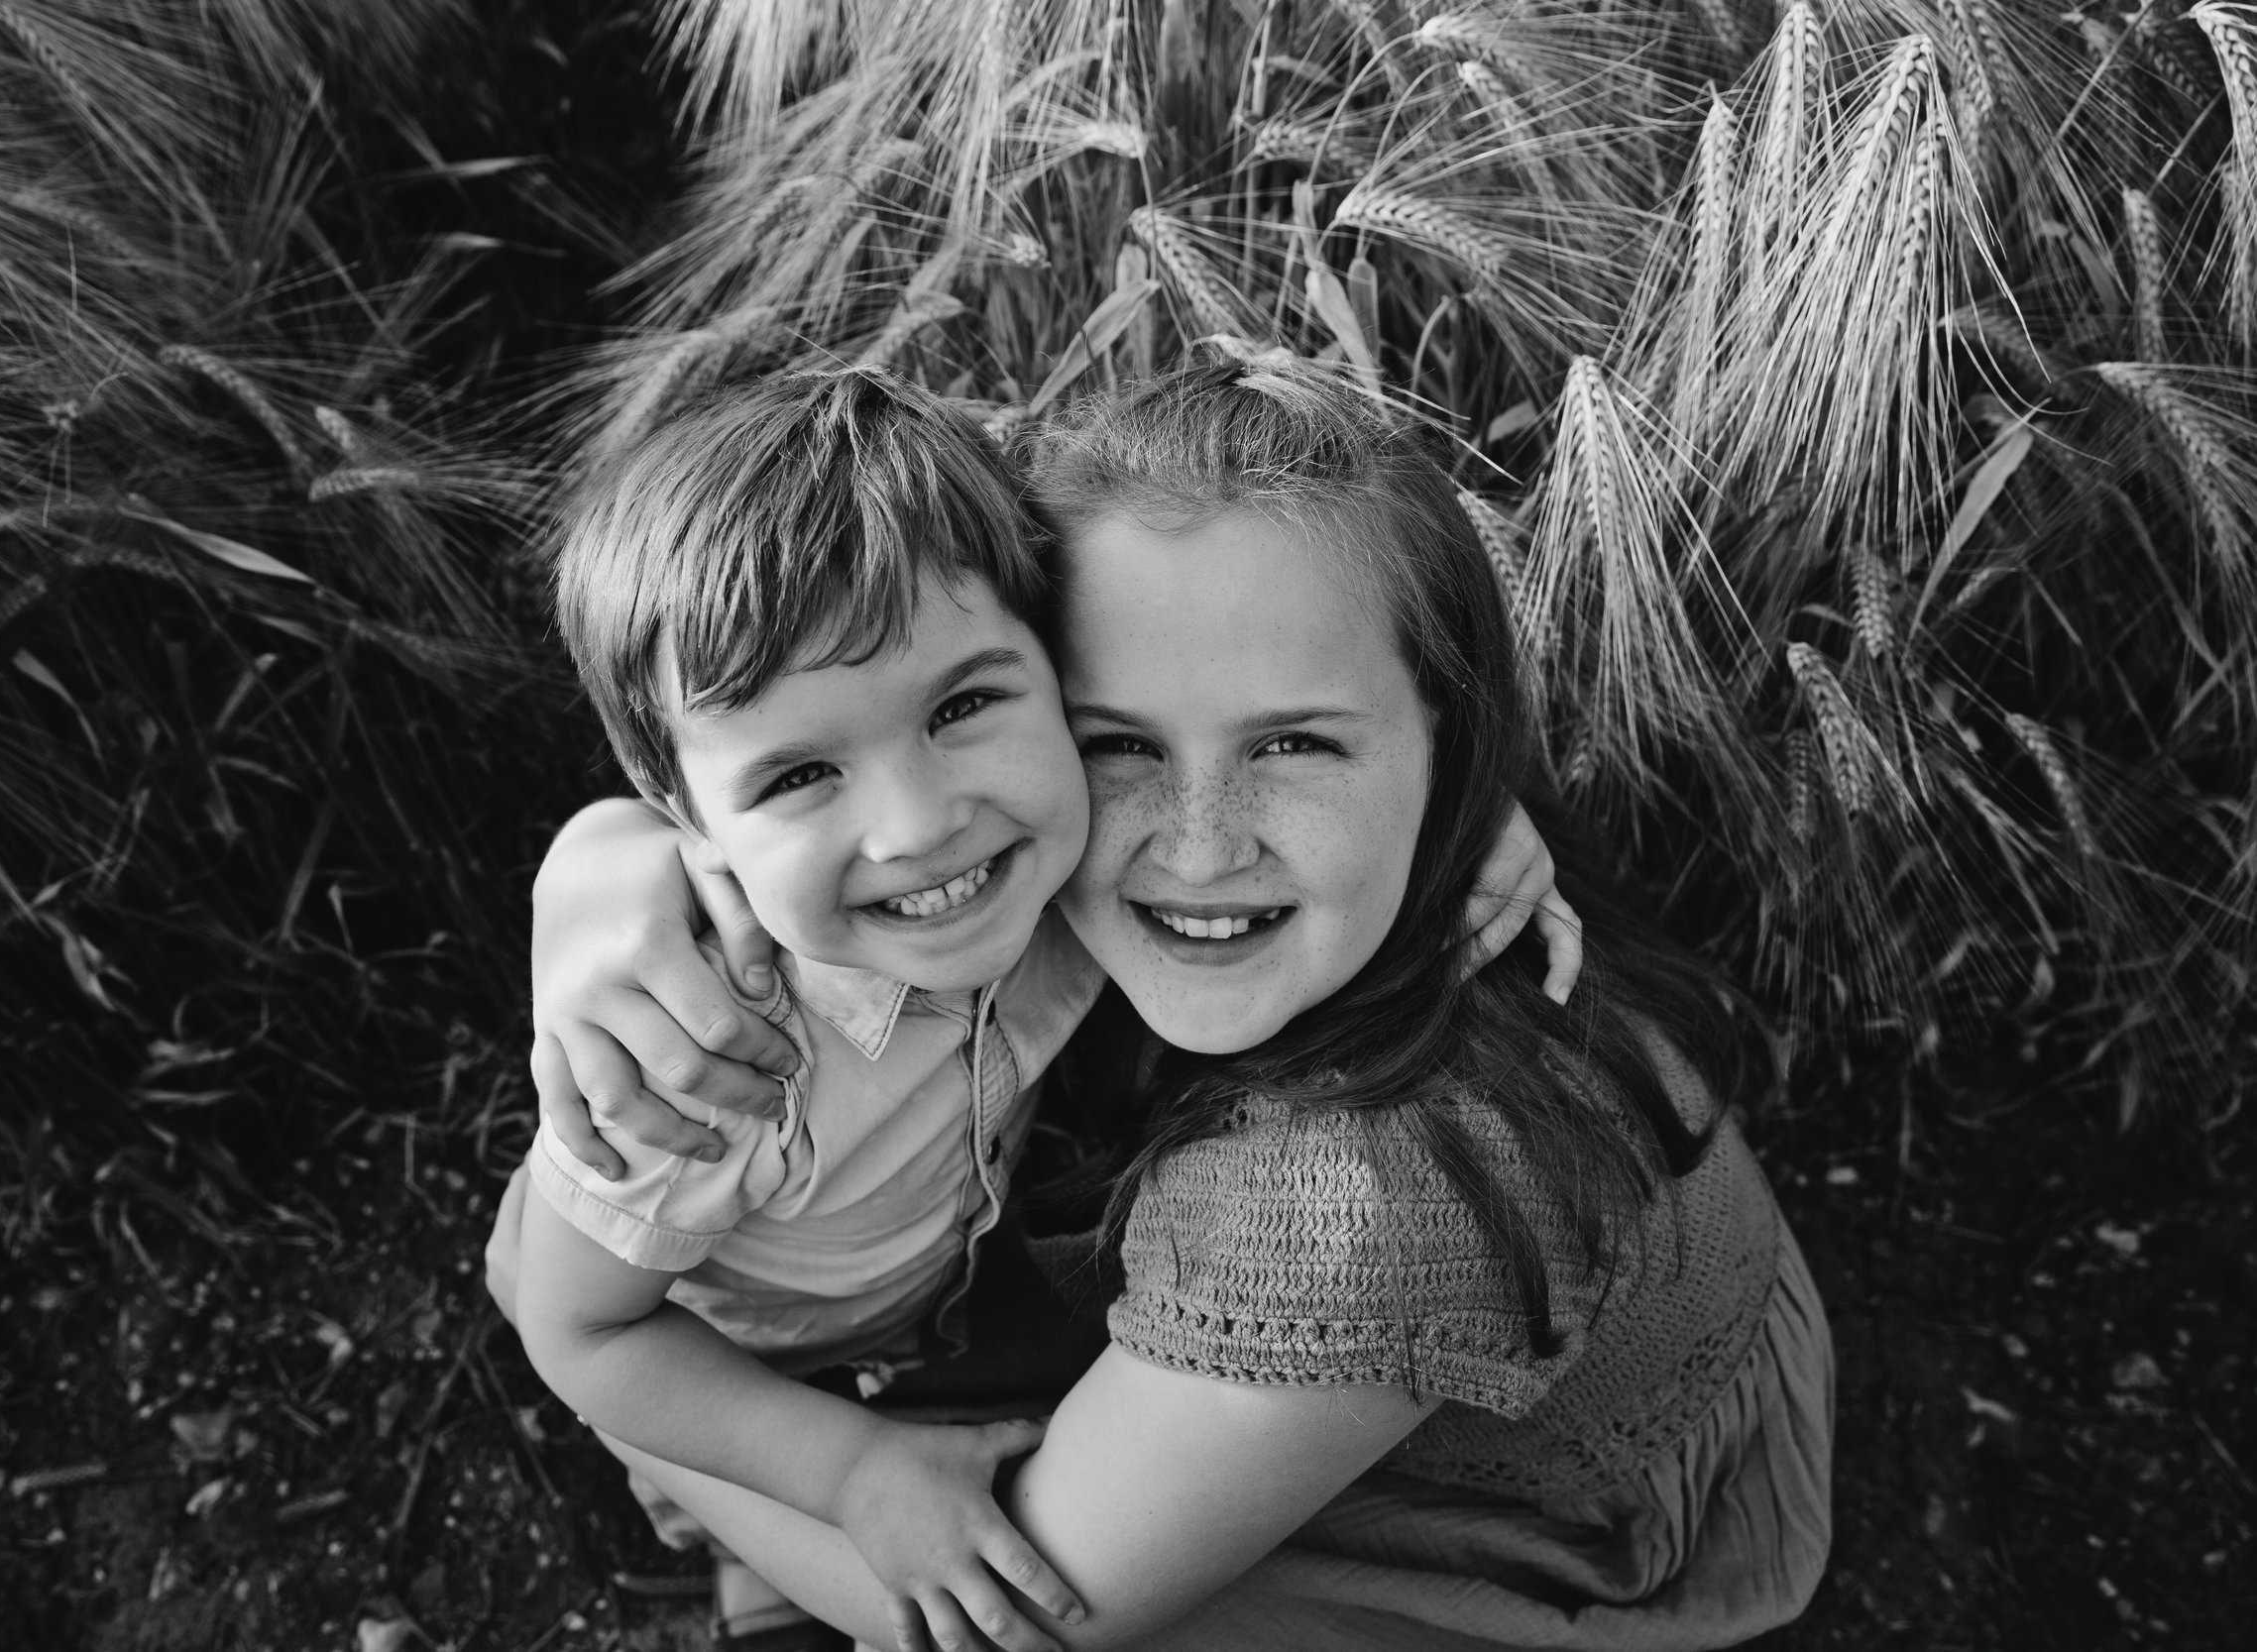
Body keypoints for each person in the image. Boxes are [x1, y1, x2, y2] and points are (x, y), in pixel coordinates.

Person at [493, 354, 1832, 1651]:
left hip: (1536, 1490)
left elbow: (1020, 1617)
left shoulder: (1359, 1213)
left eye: (1293, 744)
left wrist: (646, 1418)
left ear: (1453, 729)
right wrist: (598, 861)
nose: (1196, 849)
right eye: (1116, 742)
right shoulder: (961, 888)